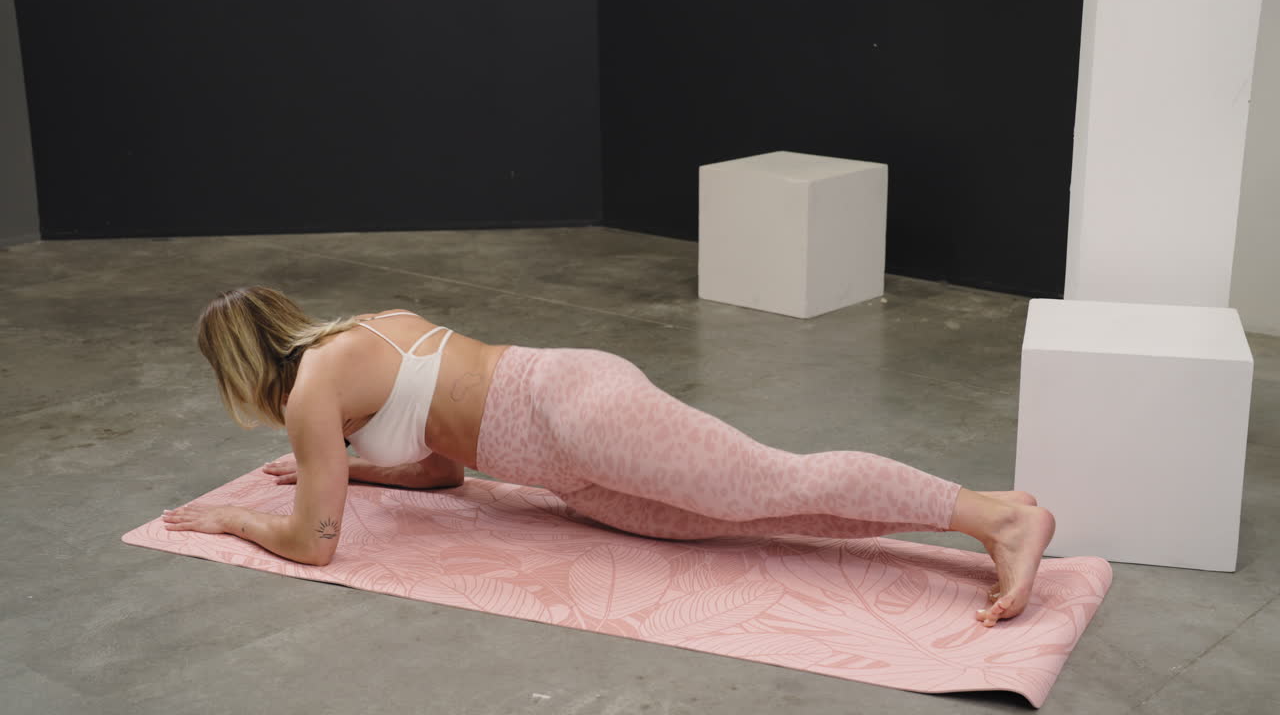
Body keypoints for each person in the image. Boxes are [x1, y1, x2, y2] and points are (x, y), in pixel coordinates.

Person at [164, 286, 1055, 627]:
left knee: (768, 481)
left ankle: (997, 514)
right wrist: (354, 469)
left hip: (568, 407)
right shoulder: (367, 329)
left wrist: (235, 516)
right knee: (757, 519)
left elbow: (316, 542)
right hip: (562, 470)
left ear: (241, 369)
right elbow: (442, 464)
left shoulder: (314, 389)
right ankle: (968, 525)